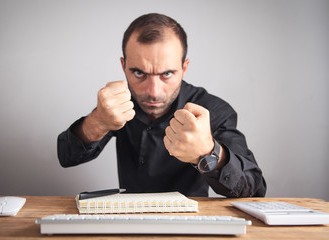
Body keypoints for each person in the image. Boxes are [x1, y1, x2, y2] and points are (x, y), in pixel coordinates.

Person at [57, 13, 266, 197]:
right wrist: (98, 122)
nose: (153, 92)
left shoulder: (212, 110)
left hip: (192, 226)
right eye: (139, 73)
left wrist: (208, 153)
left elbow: (255, 190)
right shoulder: (120, 101)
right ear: (124, 66)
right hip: (129, 223)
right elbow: (67, 157)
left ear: (184, 68)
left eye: (167, 74)